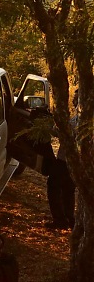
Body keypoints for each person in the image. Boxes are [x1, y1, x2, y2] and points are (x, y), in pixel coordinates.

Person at [46, 91, 77, 229]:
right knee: (68, 189)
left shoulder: (79, 120)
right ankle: (68, 218)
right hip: (73, 161)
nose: (74, 101)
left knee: (54, 186)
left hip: (66, 160)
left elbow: (61, 133)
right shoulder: (81, 118)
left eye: (76, 99)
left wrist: (52, 124)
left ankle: (60, 219)